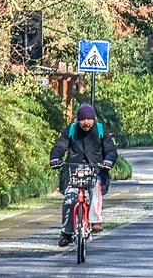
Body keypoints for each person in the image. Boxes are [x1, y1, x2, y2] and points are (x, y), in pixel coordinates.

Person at [50, 103, 117, 247]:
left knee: (95, 188)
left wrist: (108, 161)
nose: (86, 123)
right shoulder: (71, 130)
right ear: (77, 120)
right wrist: (55, 158)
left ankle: (95, 220)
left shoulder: (101, 130)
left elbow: (111, 150)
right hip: (74, 169)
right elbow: (60, 147)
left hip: (96, 169)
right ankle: (66, 232)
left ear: (94, 119)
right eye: (83, 119)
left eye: (89, 119)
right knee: (70, 199)